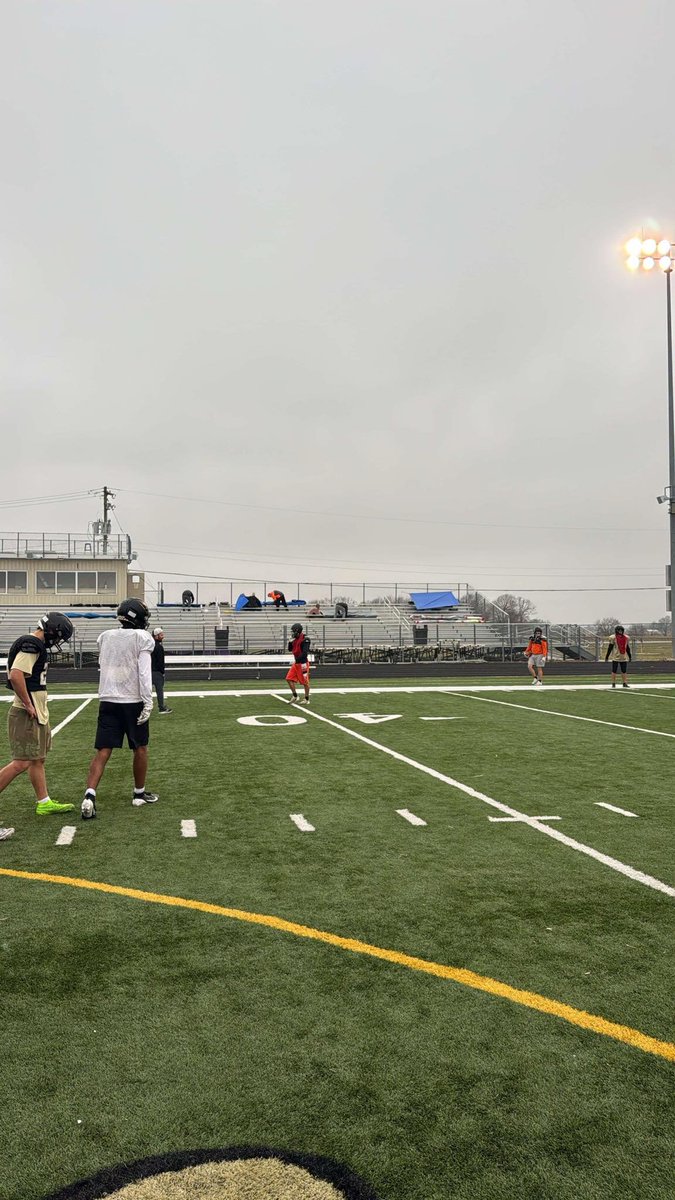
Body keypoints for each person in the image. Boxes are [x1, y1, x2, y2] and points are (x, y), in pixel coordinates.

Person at [0, 612, 75, 840]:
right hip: (26, 711)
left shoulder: (36, 644)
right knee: (21, 762)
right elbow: (15, 675)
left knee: (37, 759)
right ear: (52, 631)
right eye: (59, 637)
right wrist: (28, 704)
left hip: (35, 710)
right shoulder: (31, 643)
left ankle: (43, 802)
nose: (58, 642)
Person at [81, 598, 158, 820]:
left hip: (108, 698)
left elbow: (106, 665)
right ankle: (139, 794)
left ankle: (89, 795)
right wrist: (148, 699)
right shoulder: (142, 637)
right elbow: (144, 673)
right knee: (140, 748)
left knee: (103, 750)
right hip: (132, 700)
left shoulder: (105, 636)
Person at [286, 622, 311, 705]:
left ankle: (307, 699)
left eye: (293, 631)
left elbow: (304, 653)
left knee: (305, 682)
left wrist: (296, 660)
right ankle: (295, 696)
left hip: (303, 664)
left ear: (297, 631)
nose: (292, 633)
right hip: (296, 663)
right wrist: (290, 642)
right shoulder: (295, 639)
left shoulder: (305, 639)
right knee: (289, 678)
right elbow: (290, 649)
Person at [151, 627, 172, 714]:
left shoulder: (150, 645)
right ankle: (161, 707)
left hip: (148, 671)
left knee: (146, 691)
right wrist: (162, 672)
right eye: (161, 635)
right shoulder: (159, 647)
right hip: (156, 672)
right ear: (156, 636)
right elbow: (160, 662)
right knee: (159, 690)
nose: (163, 636)